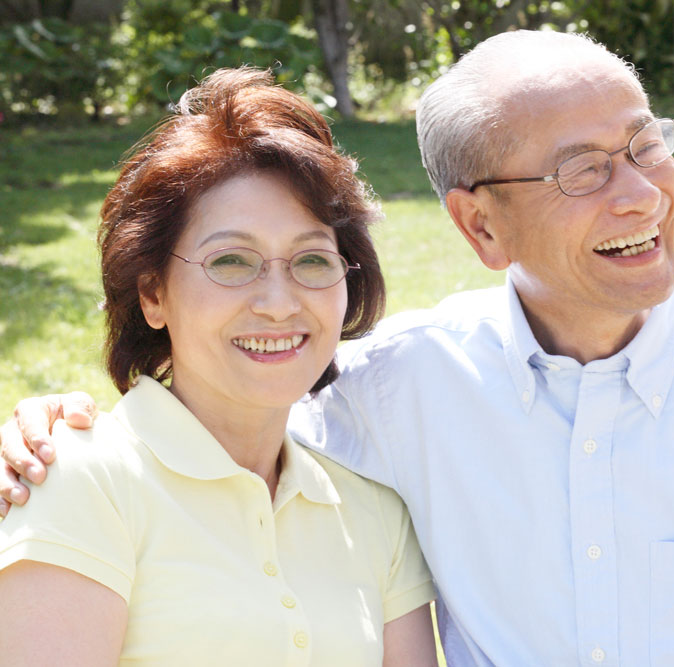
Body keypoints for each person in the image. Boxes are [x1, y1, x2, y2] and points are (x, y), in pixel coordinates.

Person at [1, 31, 674, 666]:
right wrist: (56, 432)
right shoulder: (393, 392)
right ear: (481, 227)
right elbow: (225, 398)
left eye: (645, 146)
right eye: (582, 169)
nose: (638, 194)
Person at [0, 68, 437, 665]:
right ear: (152, 294)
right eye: (231, 260)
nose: (280, 303)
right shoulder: (80, 479)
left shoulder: (375, 514)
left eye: (312, 260)